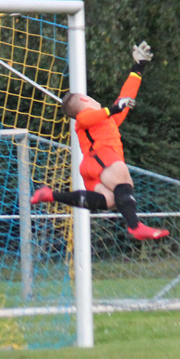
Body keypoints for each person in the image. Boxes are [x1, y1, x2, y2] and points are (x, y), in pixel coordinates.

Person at [31, 41, 169, 240]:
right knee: (123, 181)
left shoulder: (106, 121)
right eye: (89, 97)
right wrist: (113, 108)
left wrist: (138, 67)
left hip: (92, 168)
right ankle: (135, 226)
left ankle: (51, 195)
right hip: (101, 157)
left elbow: (125, 97)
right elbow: (87, 117)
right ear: (85, 101)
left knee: (110, 200)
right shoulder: (85, 118)